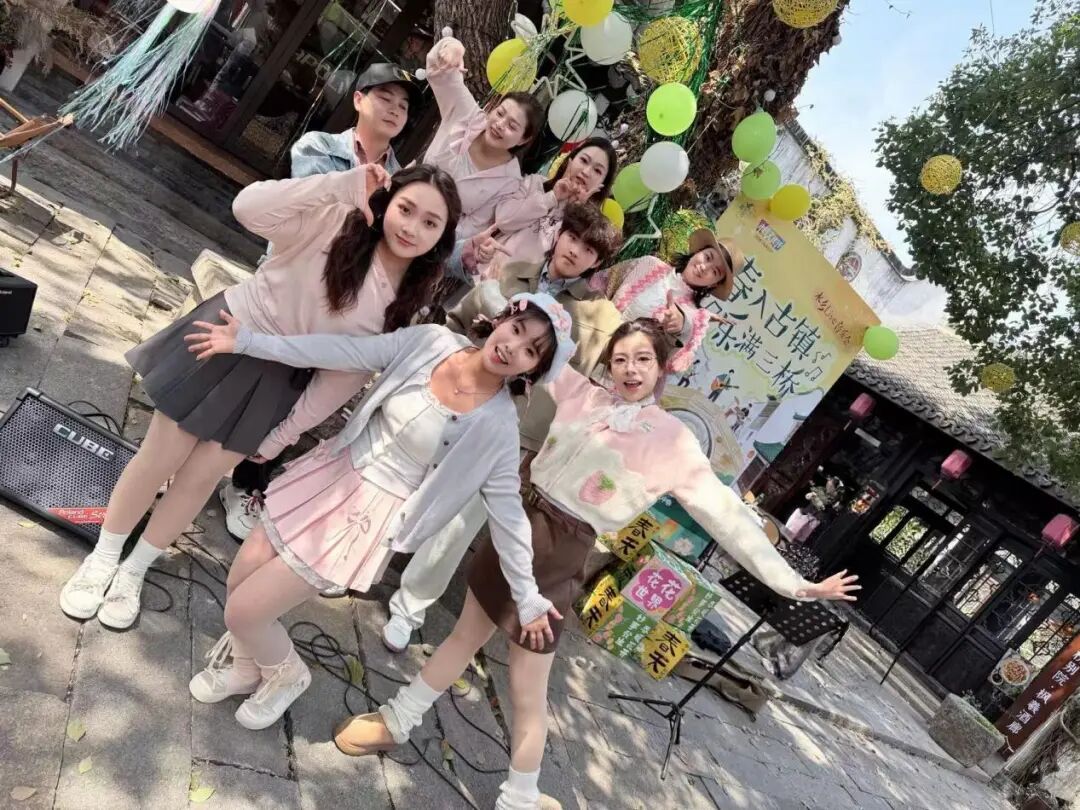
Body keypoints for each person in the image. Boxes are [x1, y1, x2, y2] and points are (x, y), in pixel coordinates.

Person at [332, 319, 860, 810]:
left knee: (527, 686)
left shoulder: (674, 442)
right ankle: (399, 720)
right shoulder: (582, 394)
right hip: (515, 525)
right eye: (621, 359)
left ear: (662, 367)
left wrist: (794, 584)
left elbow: (729, 517)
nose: (630, 370)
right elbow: (534, 340)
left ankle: (519, 797)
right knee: (463, 636)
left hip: (560, 555)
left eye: (643, 360)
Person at [57, 163, 460, 630]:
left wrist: (283, 434)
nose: (411, 228)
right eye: (406, 209)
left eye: (430, 222)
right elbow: (248, 208)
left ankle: (134, 570)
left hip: (278, 381)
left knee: (199, 479)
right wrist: (338, 185)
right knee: (158, 458)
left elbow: (342, 377)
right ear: (387, 200)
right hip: (225, 336)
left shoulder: (407, 301)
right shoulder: (337, 218)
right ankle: (104, 557)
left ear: (443, 236)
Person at [181, 293, 574, 731]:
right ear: (500, 320)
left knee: (243, 611)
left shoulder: (499, 429)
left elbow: (508, 515)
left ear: (532, 370)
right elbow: (346, 351)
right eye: (516, 330)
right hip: (328, 475)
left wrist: (527, 594)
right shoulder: (431, 342)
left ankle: (288, 673)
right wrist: (251, 342)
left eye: (531, 351)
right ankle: (245, 668)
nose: (513, 347)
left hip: (365, 519)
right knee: (238, 581)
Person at [381, 202, 624, 652]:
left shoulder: (600, 322)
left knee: (457, 526)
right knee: (401, 481)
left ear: (597, 262)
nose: (575, 251)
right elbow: (460, 317)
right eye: (573, 237)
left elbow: (582, 396)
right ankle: (367, 562)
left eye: (589, 249)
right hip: (456, 399)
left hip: (513, 436)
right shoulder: (514, 272)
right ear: (559, 233)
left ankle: (409, 607)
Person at [222, 63, 423, 542]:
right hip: (287, 289)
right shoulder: (318, 147)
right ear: (359, 99)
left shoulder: (402, 182)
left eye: (403, 105)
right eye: (385, 98)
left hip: (339, 305)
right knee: (242, 382)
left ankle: (244, 482)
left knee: (291, 397)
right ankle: (198, 464)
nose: (395, 110)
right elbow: (320, 216)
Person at [421, 32, 546, 242]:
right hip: (400, 199)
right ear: (492, 108)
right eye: (500, 113)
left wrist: (432, 227)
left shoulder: (509, 183)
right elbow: (437, 69)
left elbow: (471, 227)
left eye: (512, 126)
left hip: (431, 238)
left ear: (523, 139)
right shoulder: (466, 114)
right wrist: (453, 46)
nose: (500, 124)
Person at [456, 136, 619, 281]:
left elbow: (562, 271)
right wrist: (552, 198)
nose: (586, 172)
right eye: (583, 160)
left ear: (602, 184)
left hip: (518, 296)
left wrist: (577, 214)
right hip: (480, 273)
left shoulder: (588, 228)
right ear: (571, 160)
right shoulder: (535, 184)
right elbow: (503, 221)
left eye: (597, 171)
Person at [599, 226, 745, 372]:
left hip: (611, 376)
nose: (704, 267)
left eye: (715, 271)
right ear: (698, 252)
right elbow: (600, 282)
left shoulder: (692, 318)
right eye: (707, 257)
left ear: (715, 283)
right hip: (589, 342)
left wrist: (679, 331)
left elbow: (668, 365)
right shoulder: (649, 264)